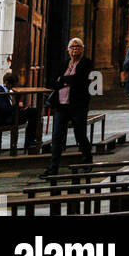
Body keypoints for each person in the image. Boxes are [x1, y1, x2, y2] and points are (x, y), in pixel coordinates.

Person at [40, 37, 93, 178]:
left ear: (82, 49)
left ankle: (87, 161)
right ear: (68, 50)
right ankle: (53, 167)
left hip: (78, 105)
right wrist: (66, 81)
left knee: (80, 135)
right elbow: (53, 82)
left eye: (78, 46)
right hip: (61, 106)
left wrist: (63, 80)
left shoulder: (86, 63)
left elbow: (80, 80)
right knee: (57, 136)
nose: (75, 49)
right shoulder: (64, 64)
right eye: (72, 47)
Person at [0, 73, 41, 150]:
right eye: (12, 85)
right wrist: (17, 106)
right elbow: (5, 109)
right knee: (33, 112)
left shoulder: (5, 91)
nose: (13, 87)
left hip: (8, 116)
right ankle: (29, 142)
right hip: (4, 119)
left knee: (33, 111)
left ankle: (30, 140)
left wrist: (20, 108)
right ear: (6, 82)